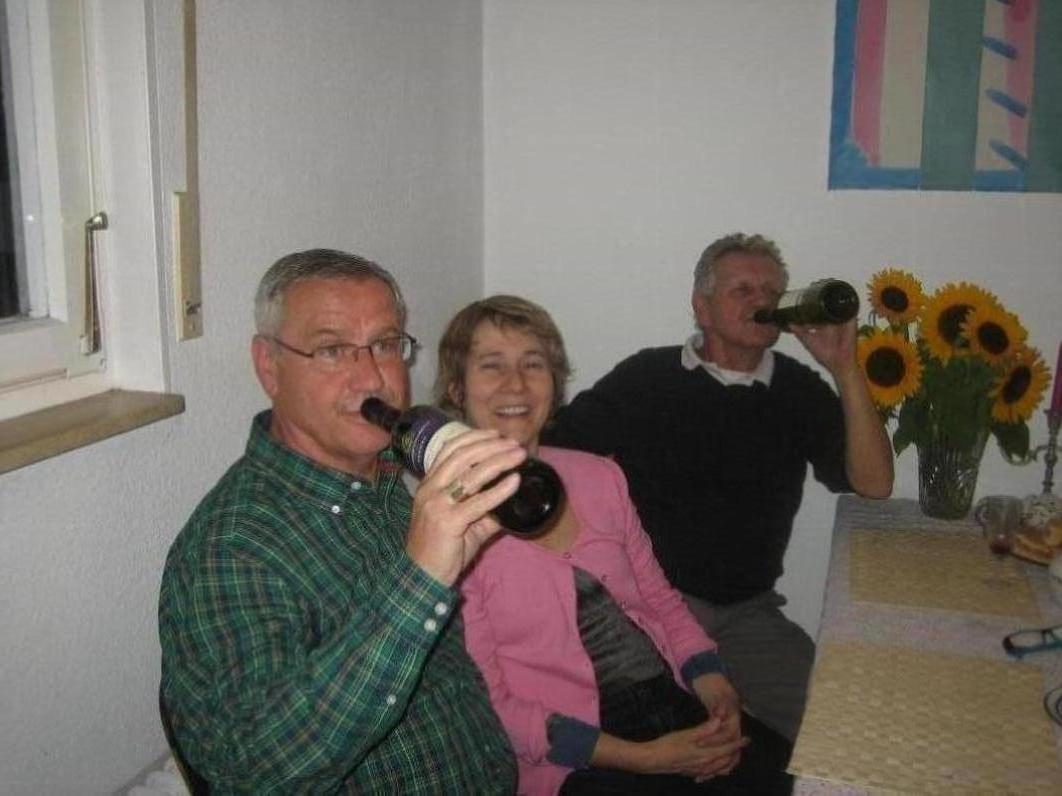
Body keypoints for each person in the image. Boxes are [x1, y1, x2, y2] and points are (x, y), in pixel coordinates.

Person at [158, 249, 522, 793]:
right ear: (269, 366)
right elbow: (257, 771)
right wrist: (420, 579)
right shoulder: (230, 549)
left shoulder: (387, 477)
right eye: (332, 350)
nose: (372, 377)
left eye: (385, 344)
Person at [541, 233, 893, 742]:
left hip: (751, 614)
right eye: (742, 290)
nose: (761, 302)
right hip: (655, 609)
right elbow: (554, 451)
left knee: (839, 730)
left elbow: (874, 484)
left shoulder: (796, 388)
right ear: (702, 307)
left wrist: (844, 368)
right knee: (680, 737)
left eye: (772, 292)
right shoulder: (648, 378)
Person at [437, 295, 794, 795]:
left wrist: (714, 686)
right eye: (491, 365)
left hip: (670, 703)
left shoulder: (600, 477)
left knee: (801, 779)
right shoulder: (447, 528)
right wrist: (647, 760)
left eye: (533, 364)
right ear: (457, 389)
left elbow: (661, 601)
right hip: (575, 759)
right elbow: (492, 706)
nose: (515, 384)